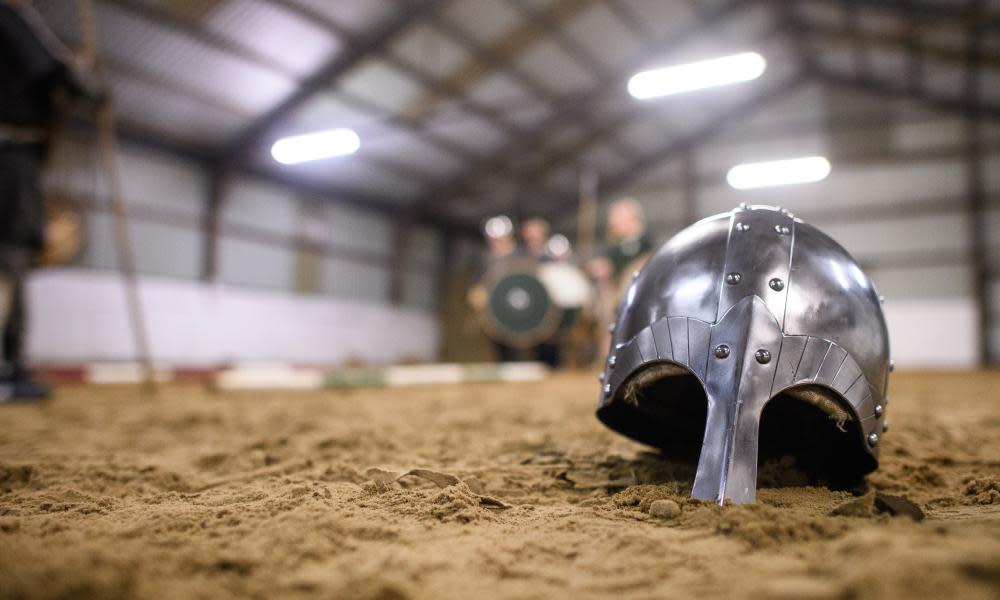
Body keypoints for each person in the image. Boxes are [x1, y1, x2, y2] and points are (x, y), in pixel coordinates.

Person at [1, 0, 100, 401]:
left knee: (14, 259)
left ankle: (10, 365)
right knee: (8, 256)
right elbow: (56, 75)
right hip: (9, 155)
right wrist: (89, 84)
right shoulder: (9, 15)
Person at [469, 215, 520, 362]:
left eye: (500, 239)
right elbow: (478, 282)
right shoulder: (484, 258)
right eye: (493, 239)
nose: (496, 243)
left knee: (514, 342)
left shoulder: (519, 256)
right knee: (498, 344)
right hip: (494, 309)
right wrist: (477, 294)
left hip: (515, 307)